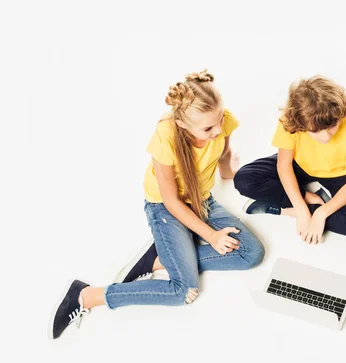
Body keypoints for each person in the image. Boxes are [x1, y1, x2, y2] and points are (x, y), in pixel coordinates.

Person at [49, 71, 265, 340]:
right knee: (182, 291)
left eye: (220, 120)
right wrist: (210, 235)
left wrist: (228, 173)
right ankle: (87, 295)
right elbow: (171, 201)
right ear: (184, 125)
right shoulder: (166, 138)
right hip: (165, 209)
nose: (218, 130)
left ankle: (158, 260)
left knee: (251, 254)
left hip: (201, 200)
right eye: (208, 128)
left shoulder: (221, 122)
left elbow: (224, 151)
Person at [233, 76, 346, 244]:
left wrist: (321, 214)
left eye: (332, 126)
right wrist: (301, 207)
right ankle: (300, 203)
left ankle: (285, 208)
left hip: (338, 172)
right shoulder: (291, 118)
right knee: (245, 179)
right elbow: (284, 165)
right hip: (299, 164)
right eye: (316, 131)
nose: (326, 136)